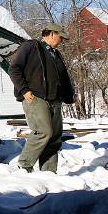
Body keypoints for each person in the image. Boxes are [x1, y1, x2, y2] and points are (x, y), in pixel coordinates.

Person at [7, 22, 75, 173]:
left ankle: (49, 172)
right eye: (60, 37)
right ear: (51, 34)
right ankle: (24, 165)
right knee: (43, 131)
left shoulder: (56, 54)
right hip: (36, 98)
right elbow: (14, 68)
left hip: (55, 100)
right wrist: (24, 90)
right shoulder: (31, 46)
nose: (61, 41)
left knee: (55, 137)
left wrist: (68, 96)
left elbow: (64, 77)